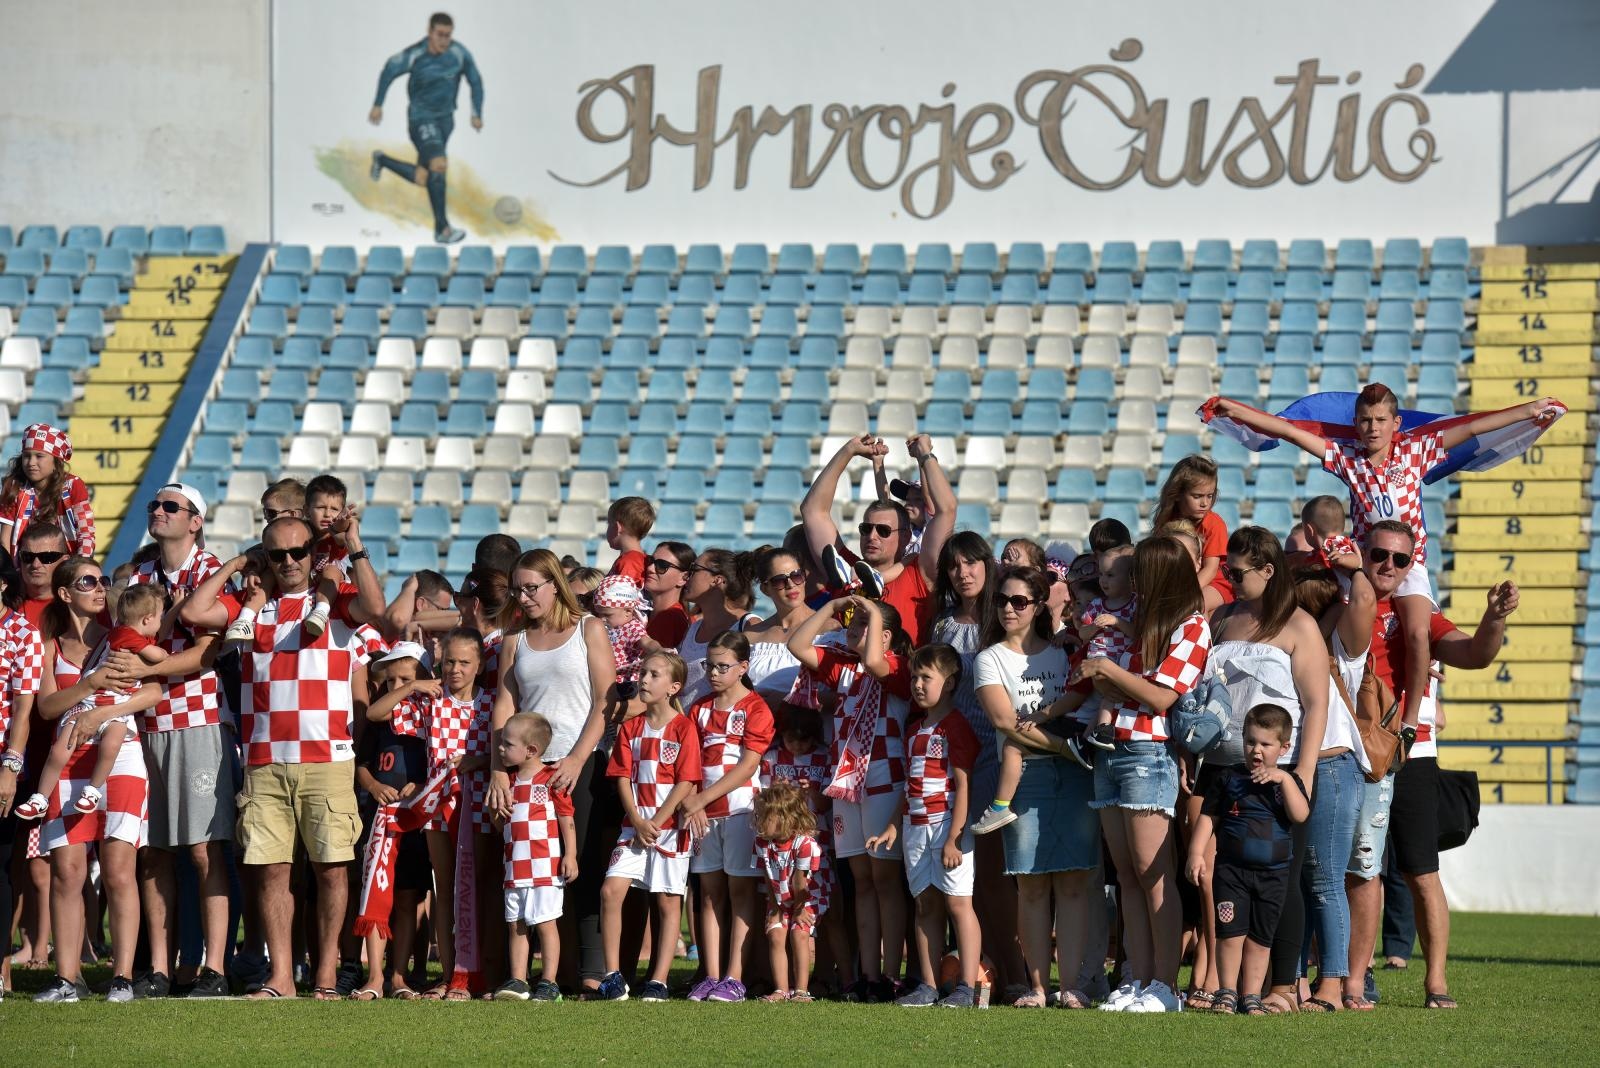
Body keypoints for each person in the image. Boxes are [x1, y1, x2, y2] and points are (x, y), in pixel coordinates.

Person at [1208, 384, 1561, 745]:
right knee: (1332, 622)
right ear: (1356, 424)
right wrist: (1235, 408)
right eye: (1364, 420)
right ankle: (1333, 698)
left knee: (1418, 634)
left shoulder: (1416, 450)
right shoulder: (1347, 458)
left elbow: (1472, 427)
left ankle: (1409, 721)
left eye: (1380, 420)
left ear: (1397, 422)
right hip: (1363, 562)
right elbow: (1290, 431)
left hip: (1410, 562)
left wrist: (1528, 410)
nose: (1372, 428)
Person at [181, 513, 387, 1000]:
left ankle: (326, 976)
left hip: (328, 758)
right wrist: (238, 562)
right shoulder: (250, 607)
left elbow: (378, 608)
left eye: (298, 552)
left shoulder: (334, 606)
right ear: (266, 556)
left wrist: (353, 544)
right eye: (278, 554)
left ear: (313, 555)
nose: (290, 561)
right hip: (264, 759)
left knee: (332, 869)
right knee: (271, 870)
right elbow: (193, 613)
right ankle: (279, 979)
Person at [1342, 520, 1516, 1011]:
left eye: (1401, 559)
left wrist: (1494, 618)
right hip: (1353, 750)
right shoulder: (1342, 597)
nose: (1388, 567)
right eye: (1379, 555)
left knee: (1421, 872)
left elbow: (1476, 654)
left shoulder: (1416, 611)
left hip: (1411, 753)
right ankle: (1354, 978)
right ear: (1363, 551)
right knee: (1358, 871)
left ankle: (1436, 981)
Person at [1079, 537, 1210, 1014]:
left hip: (1149, 751)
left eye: (1142, 574)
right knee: (1129, 879)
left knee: (1155, 877)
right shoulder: (1145, 622)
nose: (1134, 582)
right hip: (1114, 751)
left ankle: (1164, 986)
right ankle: (1139, 977)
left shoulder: (1191, 625)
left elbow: (1160, 698)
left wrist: (1107, 670)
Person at [1206, 526, 1330, 1014]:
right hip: (1220, 766)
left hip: (1279, 774)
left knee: (1282, 878)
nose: (1231, 580)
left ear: (1267, 570)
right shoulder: (1221, 619)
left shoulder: (1299, 625)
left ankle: (1283, 984)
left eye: (1239, 573)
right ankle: (1228, 988)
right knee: (1222, 882)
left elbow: (1317, 704)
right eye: (1229, 571)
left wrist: (1303, 771)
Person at [487, 548, 616, 995]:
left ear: (554, 584)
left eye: (531, 587)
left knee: (578, 868)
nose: (523, 598)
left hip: (579, 763)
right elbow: (504, 706)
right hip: (526, 772)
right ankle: (540, 977)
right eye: (517, 590)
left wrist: (579, 758)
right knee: (529, 871)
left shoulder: (589, 628)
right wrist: (498, 771)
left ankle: (591, 971)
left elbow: (606, 700)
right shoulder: (513, 639)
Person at [124, 482, 235, 998]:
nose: (159, 511)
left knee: (203, 848)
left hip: (197, 718)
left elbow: (204, 655)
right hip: (146, 720)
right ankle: (162, 969)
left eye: (171, 506)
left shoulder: (207, 570)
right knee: (153, 851)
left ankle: (215, 966)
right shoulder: (142, 572)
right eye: (155, 505)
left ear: (195, 520)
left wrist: (149, 664)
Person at [31, 557, 160, 1003]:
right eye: (88, 581)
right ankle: (68, 978)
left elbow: (154, 689)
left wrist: (105, 712)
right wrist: (91, 686)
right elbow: (46, 708)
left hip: (120, 756)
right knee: (67, 870)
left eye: (103, 579)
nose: (100, 587)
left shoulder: (120, 637)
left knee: (120, 869)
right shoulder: (47, 643)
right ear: (66, 593)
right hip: (67, 760)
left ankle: (122, 977)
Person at [973, 566, 1099, 1009]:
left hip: (1072, 776)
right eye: (1002, 600)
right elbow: (1004, 721)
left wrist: (1065, 752)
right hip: (1026, 774)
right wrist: (1064, 748)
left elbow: (1083, 696)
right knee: (1030, 885)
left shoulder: (1066, 652)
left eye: (1019, 601)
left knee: (1072, 883)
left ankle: (1071, 987)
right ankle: (1038, 988)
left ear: (1039, 605)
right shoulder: (988, 658)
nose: (1008, 608)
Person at [788, 595, 912, 1002]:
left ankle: (891, 974)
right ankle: (867, 974)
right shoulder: (841, 667)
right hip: (846, 782)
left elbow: (877, 663)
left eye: (861, 627)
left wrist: (873, 612)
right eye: (852, 625)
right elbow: (798, 646)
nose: (851, 632)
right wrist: (831, 607)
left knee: (885, 880)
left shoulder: (896, 665)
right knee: (861, 882)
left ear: (884, 634)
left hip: (884, 778)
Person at [367, 628, 491, 998]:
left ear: (480, 665)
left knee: (476, 887)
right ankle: (451, 975)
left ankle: (479, 974)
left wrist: (477, 760)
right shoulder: (432, 701)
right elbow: (376, 713)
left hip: (480, 805)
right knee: (445, 889)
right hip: (438, 808)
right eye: (449, 661)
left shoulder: (494, 701)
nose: (455, 669)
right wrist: (412, 686)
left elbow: (503, 753)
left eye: (464, 662)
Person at [927, 530, 1025, 994]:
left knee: (989, 875)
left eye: (971, 563)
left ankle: (1013, 973)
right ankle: (973, 970)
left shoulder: (1001, 618)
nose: (962, 573)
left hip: (992, 755)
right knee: (957, 875)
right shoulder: (942, 624)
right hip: (946, 756)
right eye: (953, 565)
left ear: (988, 565)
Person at [867, 643, 982, 1009]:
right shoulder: (915, 728)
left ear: (949, 683)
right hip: (915, 828)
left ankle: (966, 985)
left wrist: (955, 837)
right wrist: (892, 826)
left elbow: (963, 784)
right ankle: (928, 986)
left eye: (926, 677)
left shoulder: (956, 726)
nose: (917, 684)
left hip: (947, 825)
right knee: (925, 905)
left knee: (959, 905)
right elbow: (910, 786)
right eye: (914, 676)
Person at [1185, 704, 1311, 1016]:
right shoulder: (1229, 778)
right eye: (1250, 741)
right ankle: (1227, 992)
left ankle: (1251, 995)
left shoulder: (1288, 783)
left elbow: (1301, 814)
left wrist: (1282, 778)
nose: (1256, 750)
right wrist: (1196, 853)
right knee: (1230, 935)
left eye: (1266, 744)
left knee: (1260, 939)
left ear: (1284, 747)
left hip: (1273, 877)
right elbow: (1208, 817)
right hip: (1231, 872)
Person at [13, 583, 168, 822]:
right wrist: (166, 656)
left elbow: (153, 692)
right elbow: (159, 657)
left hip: (109, 706)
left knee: (95, 746)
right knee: (63, 750)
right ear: (147, 619)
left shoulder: (121, 632)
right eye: (161, 615)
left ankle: (86, 791)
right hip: (96, 701)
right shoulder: (129, 636)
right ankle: (44, 798)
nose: (163, 621)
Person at [598, 650, 701, 1002]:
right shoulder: (630, 728)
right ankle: (613, 975)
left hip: (670, 829)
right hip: (634, 828)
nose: (643, 679)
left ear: (673, 687)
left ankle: (658, 980)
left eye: (653, 674)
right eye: (643, 672)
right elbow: (622, 778)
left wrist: (656, 821)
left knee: (668, 903)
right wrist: (639, 821)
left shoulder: (685, 728)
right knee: (611, 891)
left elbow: (686, 781)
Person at [680, 631, 775, 1004]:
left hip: (740, 811)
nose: (714, 673)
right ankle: (711, 974)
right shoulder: (698, 708)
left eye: (723, 666)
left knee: (740, 893)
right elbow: (688, 762)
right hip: (703, 814)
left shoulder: (756, 708)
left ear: (743, 667)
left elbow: (748, 765)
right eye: (709, 665)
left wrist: (702, 798)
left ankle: (735, 977)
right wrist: (695, 802)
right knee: (708, 896)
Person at [799, 432, 955, 648]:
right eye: (866, 528)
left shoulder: (920, 572)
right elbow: (812, 510)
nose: (871, 536)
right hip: (845, 679)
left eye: (883, 530)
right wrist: (848, 450)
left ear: (905, 536)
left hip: (897, 678)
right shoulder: (847, 569)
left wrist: (925, 456)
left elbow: (945, 511)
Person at [351, 644, 431, 1000]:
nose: (397, 685)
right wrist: (372, 786)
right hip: (381, 818)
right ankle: (374, 976)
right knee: (376, 893)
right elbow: (362, 762)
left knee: (408, 895)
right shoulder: (381, 719)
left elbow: (441, 762)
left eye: (407, 678)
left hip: (416, 818)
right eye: (391, 679)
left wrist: (423, 785)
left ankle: (399, 976)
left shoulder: (431, 715)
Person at [369, 10, 484, 243]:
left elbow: (475, 81)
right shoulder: (414, 55)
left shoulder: (458, 54)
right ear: (430, 32)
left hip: (445, 121)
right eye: (440, 35)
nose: (444, 40)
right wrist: (378, 104)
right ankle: (442, 230)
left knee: (424, 178)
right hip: (421, 119)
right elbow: (388, 72)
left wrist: (476, 113)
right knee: (439, 165)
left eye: (448, 35)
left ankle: (382, 160)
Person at [493, 712, 576, 1003]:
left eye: (507, 744)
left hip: (545, 866)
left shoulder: (551, 780)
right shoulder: (509, 781)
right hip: (514, 867)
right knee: (516, 923)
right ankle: (518, 980)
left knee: (545, 923)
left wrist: (571, 855)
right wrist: (496, 813)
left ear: (531, 750)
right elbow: (501, 823)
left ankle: (549, 982)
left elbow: (567, 819)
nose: (500, 749)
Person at [0, 549, 45, 1002]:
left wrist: (10, 768)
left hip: (1, 763)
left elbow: (23, 710)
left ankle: (2, 972)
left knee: (1, 867)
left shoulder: (21, 633)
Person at [751, 779, 823, 1003]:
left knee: (799, 934)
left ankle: (801, 990)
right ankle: (781, 990)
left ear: (784, 818)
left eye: (765, 817)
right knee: (775, 933)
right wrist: (773, 906)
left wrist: (799, 910)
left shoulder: (805, 844)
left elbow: (801, 884)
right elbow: (767, 876)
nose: (759, 822)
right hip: (780, 897)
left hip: (807, 898)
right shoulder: (762, 843)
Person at [678, 548, 762, 706]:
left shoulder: (749, 626)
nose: (685, 576)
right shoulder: (693, 628)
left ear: (717, 580)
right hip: (688, 728)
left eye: (693, 570)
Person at [0, 423, 94, 559]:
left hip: (66, 567)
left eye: (39, 456)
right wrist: (8, 576)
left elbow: (86, 533)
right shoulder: (14, 486)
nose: (31, 462)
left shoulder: (73, 485)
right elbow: (5, 541)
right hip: (24, 567)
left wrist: (80, 568)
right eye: (26, 456)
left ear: (56, 462)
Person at [741, 547, 821, 708]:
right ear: (765, 589)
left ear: (805, 577)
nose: (790, 584)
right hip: (757, 728)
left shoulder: (829, 628)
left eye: (796, 575)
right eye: (779, 580)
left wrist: (789, 700)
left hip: (810, 729)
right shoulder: (751, 635)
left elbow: (843, 692)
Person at [1153, 455, 1232, 613]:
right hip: (1178, 582)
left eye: (1209, 496)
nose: (1205, 503)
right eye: (1197, 496)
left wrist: (1183, 594)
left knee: (1195, 605)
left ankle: (1202, 638)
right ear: (1177, 494)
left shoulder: (1214, 524)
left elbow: (1210, 570)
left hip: (1215, 583)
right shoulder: (1167, 519)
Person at [589, 575, 649, 699]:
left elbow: (646, 642)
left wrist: (659, 650)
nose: (601, 619)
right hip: (607, 680)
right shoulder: (605, 627)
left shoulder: (632, 627)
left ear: (628, 611)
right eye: (598, 614)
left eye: (607, 615)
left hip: (625, 684)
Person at [641, 541, 695, 650]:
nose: (650, 568)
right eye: (650, 561)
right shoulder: (659, 614)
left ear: (683, 578)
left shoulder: (670, 617)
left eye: (662, 565)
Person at [603, 497, 655, 587]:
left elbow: (622, 596)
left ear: (617, 527)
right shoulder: (641, 560)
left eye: (609, 523)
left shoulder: (629, 562)